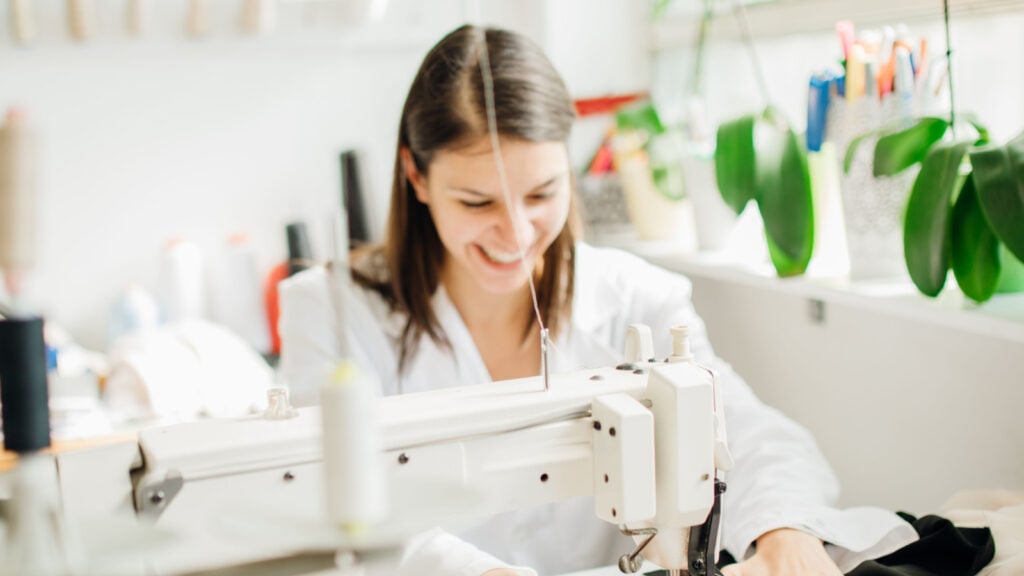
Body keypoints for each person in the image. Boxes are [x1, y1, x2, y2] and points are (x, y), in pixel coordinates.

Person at [279, 24, 917, 576]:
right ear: (415, 175)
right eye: (477, 203)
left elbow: (749, 436)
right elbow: (331, 501)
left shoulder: (638, 296)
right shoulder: (330, 314)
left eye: (542, 194)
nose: (517, 234)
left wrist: (785, 535)